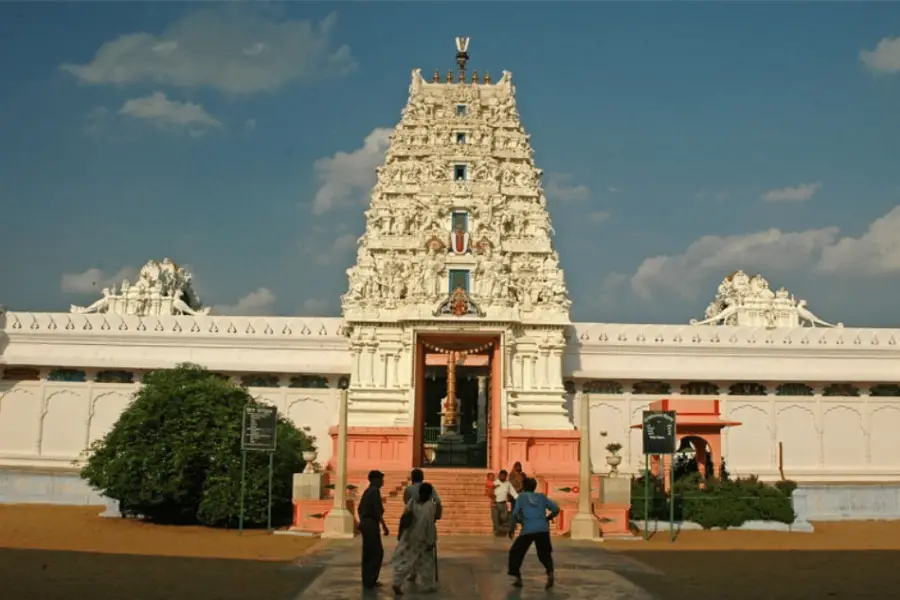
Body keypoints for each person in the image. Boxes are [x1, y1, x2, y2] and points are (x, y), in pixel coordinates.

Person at [507, 477, 560, 589]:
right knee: (544, 554)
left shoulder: (521, 498)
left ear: (524, 486)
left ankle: (518, 578)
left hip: (528, 530)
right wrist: (548, 517)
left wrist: (512, 528)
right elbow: (555, 509)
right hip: (543, 529)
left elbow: (514, 514)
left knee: (516, 552)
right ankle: (550, 573)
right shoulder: (541, 497)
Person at [391, 482, 439, 596]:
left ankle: (397, 581)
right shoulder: (429, 506)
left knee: (408, 559)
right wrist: (431, 540)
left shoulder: (412, 503)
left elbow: (404, 518)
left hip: (409, 536)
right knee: (427, 561)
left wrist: (401, 533)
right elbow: (429, 525)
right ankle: (428, 584)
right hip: (422, 538)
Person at [401, 469, 442, 584]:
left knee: (413, 550)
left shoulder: (409, 489)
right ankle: (427, 578)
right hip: (427, 524)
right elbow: (438, 502)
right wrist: (437, 516)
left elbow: (406, 505)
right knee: (427, 551)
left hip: (414, 524)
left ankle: (413, 573)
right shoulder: (429, 489)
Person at [358, 469, 390, 589]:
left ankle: (367, 579)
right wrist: (384, 526)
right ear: (375, 480)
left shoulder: (367, 492)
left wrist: (362, 520)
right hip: (371, 523)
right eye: (381, 479)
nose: (382, 481)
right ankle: (371, 579)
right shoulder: (374, 491)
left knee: (368, 552)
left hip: (366, 522)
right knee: (376, 552)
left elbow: (359, 508)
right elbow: (377, 511)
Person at [491, 469, 518, 536]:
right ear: (499, 475)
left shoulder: (508, 483)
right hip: (495, 504)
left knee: (504, 518)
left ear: (506, 476)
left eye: (504, 476)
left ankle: (503, 532)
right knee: (496, 520)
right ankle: (497, 532)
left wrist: (520, 499)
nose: (503, 477)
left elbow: (513, 493)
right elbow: (490, 492)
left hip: (503, 504)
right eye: (501, 475)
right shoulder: (494, 483)